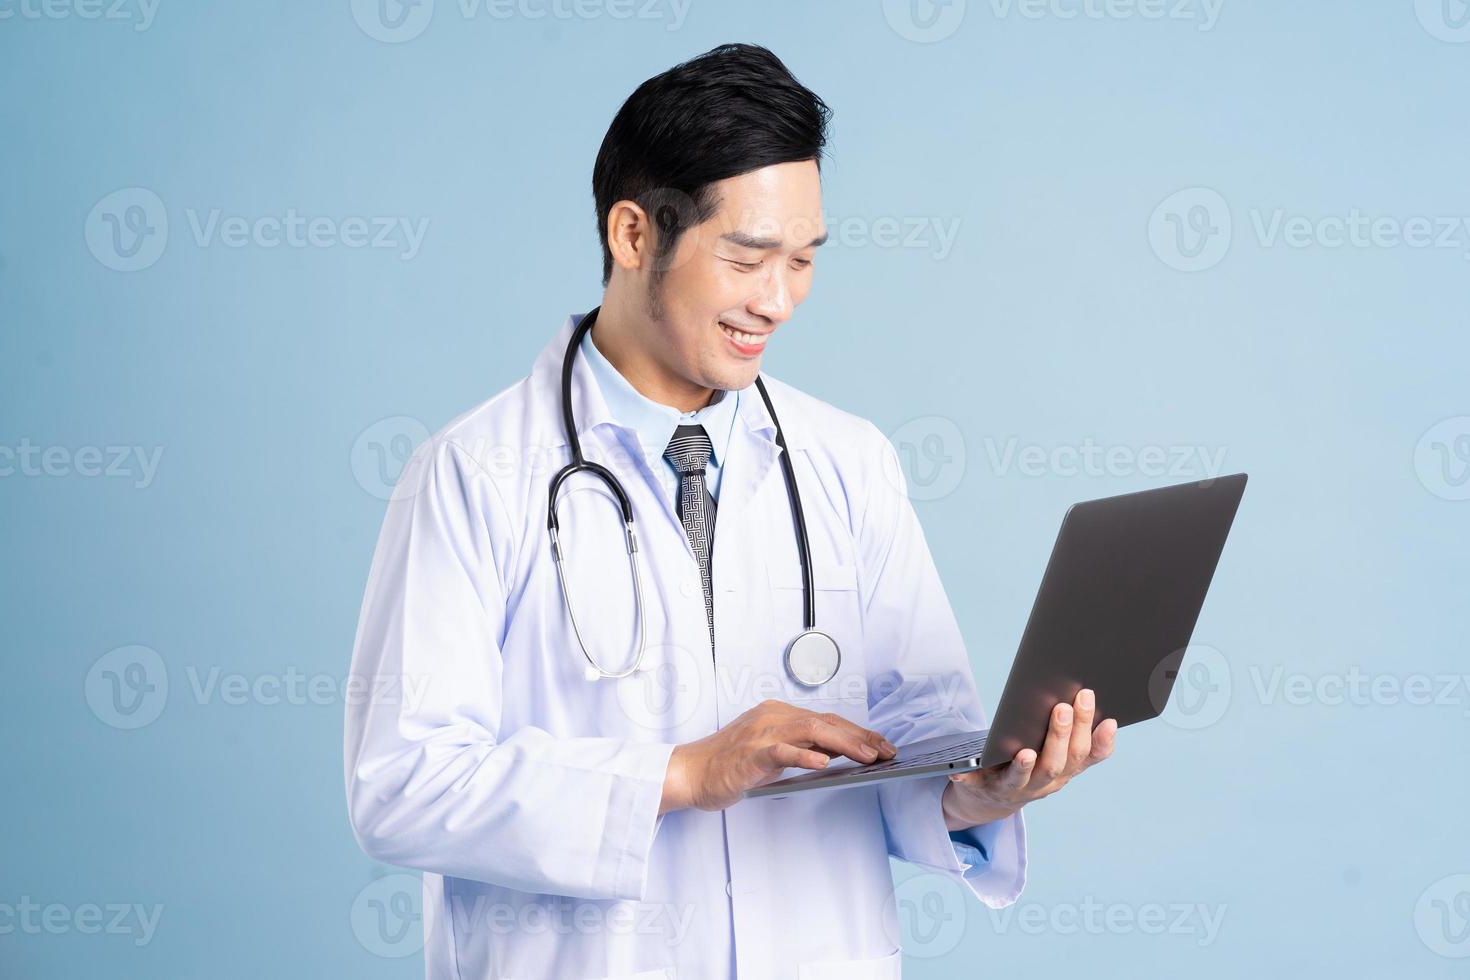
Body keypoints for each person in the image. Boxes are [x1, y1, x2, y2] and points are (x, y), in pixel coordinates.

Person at [343, 42, 1116, 980]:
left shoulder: (847, 461)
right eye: (749, 258)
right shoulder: (473, 474)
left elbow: (914, 745)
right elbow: (403, 786)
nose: (780, 301)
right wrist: (681, 773)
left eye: (803, 261)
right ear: (635, 236)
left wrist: (983, 790)